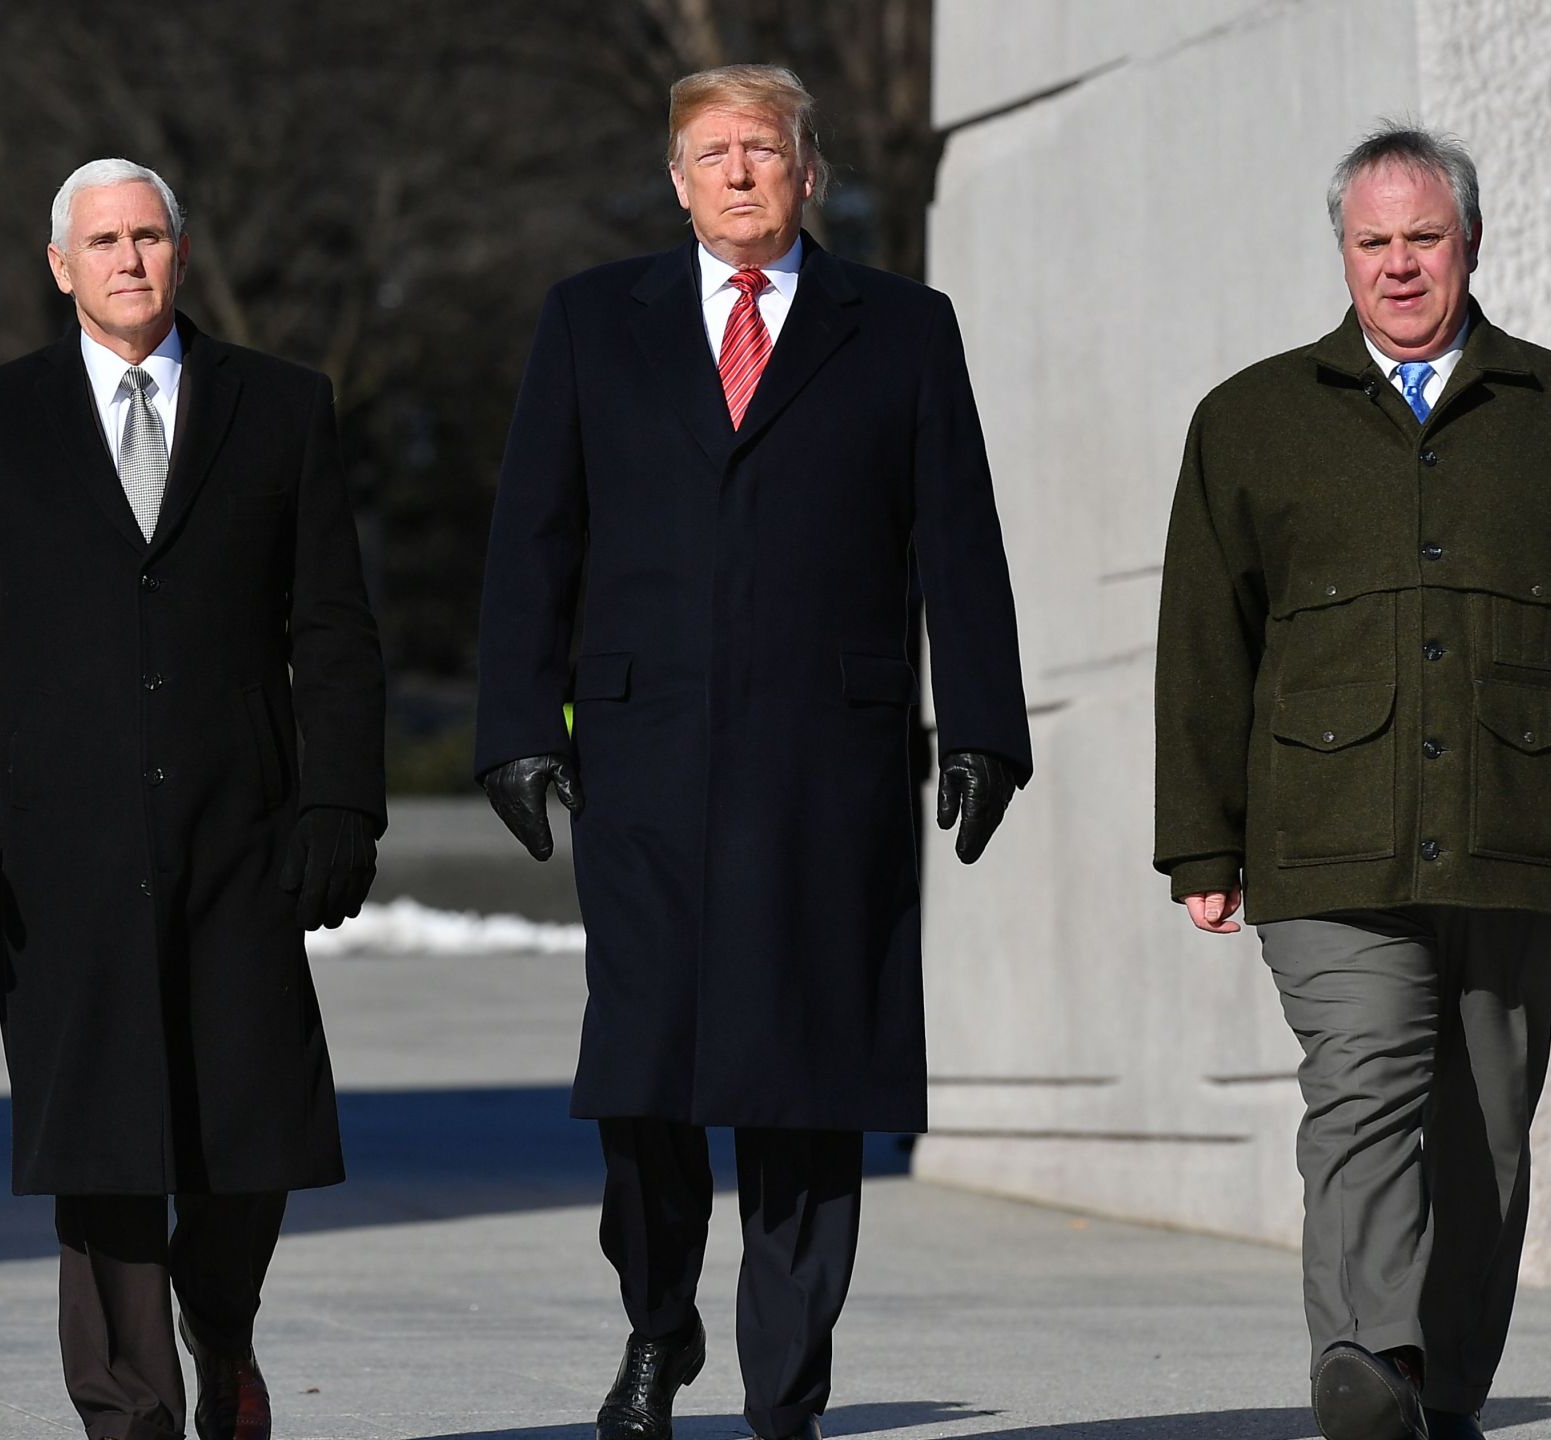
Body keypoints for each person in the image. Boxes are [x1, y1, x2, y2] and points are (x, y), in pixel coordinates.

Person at [1153, 125, 1551, 1440]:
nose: (1400, 265)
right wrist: (1203, 844)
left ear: (1471, 243)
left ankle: (1441, 1396)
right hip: (1323, 840)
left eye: (1424, 238)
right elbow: (1205, 643)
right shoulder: (1249, 423)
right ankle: (1375, 1361)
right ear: (1343, 253)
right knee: (1364, 1083)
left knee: (1481, 1134)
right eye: (1374, 242)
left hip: (1512, 835)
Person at [474, 64, 1032, 1440]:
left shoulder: (896, 329)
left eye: (762, 150)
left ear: (806, 170)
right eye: (711, 151)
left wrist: (983, 727)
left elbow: (955, 541)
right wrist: (511, 730)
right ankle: (659, 1327)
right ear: (675, 177)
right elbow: (533, 542)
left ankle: (787, 1390)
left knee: (808, 1078)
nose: (737, 172)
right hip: (642, 760)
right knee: (646, 1080)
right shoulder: (593, 323)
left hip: (823, 768)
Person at [0, 157, 384, 1440]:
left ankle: (220, 1324)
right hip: (68, 853)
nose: (127, 258)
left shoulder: (280, 409)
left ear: (180, 253)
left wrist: (344, 805)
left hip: (241, 835)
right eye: (100, 240)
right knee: (102, 1151)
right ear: (59, 265)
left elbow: (331, 625)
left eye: (149, 235)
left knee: (249, 1140)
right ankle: (129, 1416)